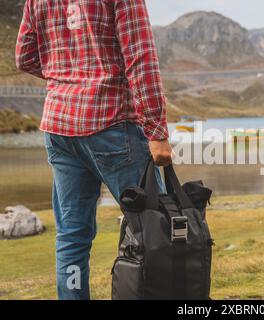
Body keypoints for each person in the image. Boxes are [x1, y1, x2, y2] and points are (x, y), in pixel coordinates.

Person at [15, 0, 172, 300]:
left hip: (60, 126)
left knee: (72, 236)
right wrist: (157, 131)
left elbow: (25, 57)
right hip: (112, 124)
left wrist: (67, 80)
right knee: (154, 228)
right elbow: (140, 56)